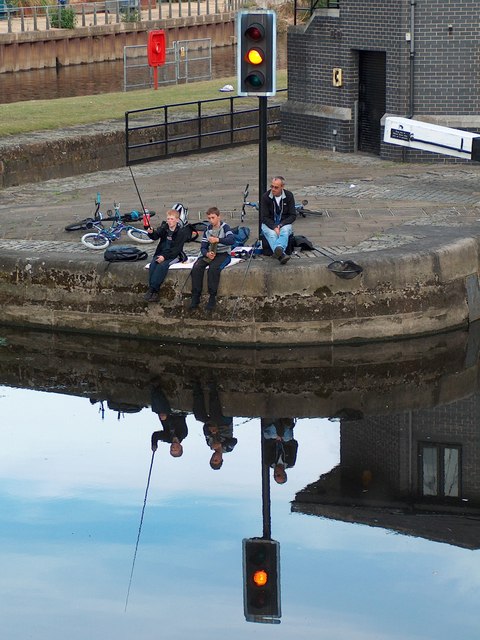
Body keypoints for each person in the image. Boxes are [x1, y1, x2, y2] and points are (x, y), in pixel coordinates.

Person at [189, 207, 235, 311]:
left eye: (213, 218)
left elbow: (231, 240)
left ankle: (212, 297)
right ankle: (196, 295)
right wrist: (207, 253)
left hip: (223, 253)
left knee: (213, 269)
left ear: (219, 217)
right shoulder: (207, 229)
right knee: (196, 267)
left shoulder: (225, 227)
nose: (211, 220)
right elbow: (203, 246)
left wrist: (218, 239)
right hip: (211, 252)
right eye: (209, 218)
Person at [144, 209, 187, 303]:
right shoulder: (164, 227)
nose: (169, 221)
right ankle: (152, 289)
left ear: (177, 220)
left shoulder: (181, 233)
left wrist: (164, 257)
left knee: (162, 266)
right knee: (153, 265)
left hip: (173, 255)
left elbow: (176, 250)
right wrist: (151, 233)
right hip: (161, 253)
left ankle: (154, 290)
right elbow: (156, 235)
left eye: (172, 219)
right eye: (168, 219)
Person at [192, 380, 237, 470]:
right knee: (215, 415)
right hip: (225, 423)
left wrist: (209, 429)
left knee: (199, 416)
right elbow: (234, 441)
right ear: (221, 460)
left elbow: (205, 430)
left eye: (212, 460)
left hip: (212, 423)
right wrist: (221, 444)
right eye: (216, 460)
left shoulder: (210, 444)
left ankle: (196, 387)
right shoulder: (228, 449)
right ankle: (213, 389)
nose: (214, 458)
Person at [260, 176, 297, 265]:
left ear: (282, 187)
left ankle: (279, 249)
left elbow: (293, 215)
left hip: (283, 223)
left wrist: (280, 225)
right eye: (271, 186)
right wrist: (274, 226)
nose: (273, 189)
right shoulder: (265, 197)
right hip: (269, 223)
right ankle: (281, 255)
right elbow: (264, 217)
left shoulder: (289, 196)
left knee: (285, 231)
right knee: (272, 234)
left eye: (276, 187)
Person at [150, 384, 188, 458]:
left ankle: (155, 388)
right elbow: (179, 420)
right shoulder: (183, 434)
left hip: (164, 414)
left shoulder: (167, 438)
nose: (173, 448)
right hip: (177, 413)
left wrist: (154, 444)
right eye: (175, 449)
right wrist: (166, 417)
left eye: (171, 450)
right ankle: (156, 386)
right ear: (180, 447)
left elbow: (155, 435)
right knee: (163, 408)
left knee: (155, 409)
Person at [261, 418, 298, 484]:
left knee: (272, 434)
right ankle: (284, 422)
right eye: (278, 475)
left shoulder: (268, 462)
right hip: (285, 438)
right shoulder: (290, 462)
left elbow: (266, 444)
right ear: (284, 474)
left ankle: (278, 422)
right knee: (287, 437)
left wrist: (277, 439)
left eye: (274, 476)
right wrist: (282, 440)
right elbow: (294, 444)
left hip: (272, 437)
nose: (275, 474)